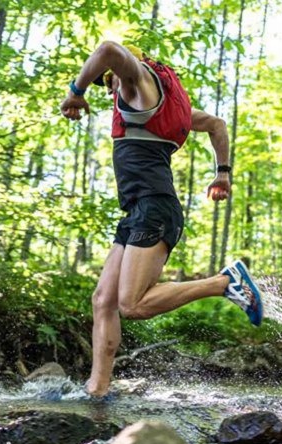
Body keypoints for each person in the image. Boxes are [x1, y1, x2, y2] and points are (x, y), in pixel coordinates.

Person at [59, 41, 263, 397]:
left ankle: (223, 283)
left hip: (154, 208)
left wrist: (76, 92)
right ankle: (97, 389)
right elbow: (215, 124)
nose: (108, 89)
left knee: (132, 304)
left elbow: (107, 49)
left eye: (108, 80)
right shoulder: (164, 106)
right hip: (139, 211)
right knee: (103, 300)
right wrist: (223, 174)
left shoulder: (138, 84)